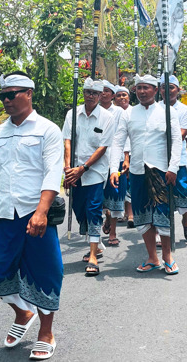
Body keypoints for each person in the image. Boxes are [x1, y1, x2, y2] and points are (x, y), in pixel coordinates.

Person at [0, 71, 63, 360]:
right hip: (5, 213)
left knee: (44, 271)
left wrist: (41, 212)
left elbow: (53, 172)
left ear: (28, 94)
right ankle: (22, 311)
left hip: (35, 212)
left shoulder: (47, 129)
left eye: (11, 94)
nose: (6, 100)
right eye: (2, 95)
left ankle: (46, 331)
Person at [110, 74, 182, 275]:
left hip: (162, 172)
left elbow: (176, 140)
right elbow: (118, 141)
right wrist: (113, 170)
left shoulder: (167, 112)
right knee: (142, 216)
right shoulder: (128, 114)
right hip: (137, 172)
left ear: (156, 90)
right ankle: (152, 257)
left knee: (163, 216)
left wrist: (173, 168)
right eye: (138, 88)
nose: (141, 91)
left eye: (146, 88)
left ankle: (168, 257)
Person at [62, 78, 115, 276]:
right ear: (83, 93)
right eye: (87, 92)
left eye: (95, 93)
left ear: (101, 96)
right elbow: (67, 141)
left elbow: (103, 147)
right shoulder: (72, 114)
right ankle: (105, 215)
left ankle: (93, 255)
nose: (91, 96)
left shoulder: (107, 118)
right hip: (74, 171)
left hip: (95, 171)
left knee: (92, 210)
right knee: (79, 210)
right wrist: (68, 168)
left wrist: (83, 168)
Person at [160, 75, 187, 241]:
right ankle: (162, 228)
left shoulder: (185, 110)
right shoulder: (154, 108)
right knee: (159, 194)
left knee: (181, 189)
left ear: (178, 90)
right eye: (163, 87)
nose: (167, 91)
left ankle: (186, 220)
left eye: (171, 87)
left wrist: (158, 136)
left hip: (177, 158)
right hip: (157, 159)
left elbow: (180, 135)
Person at [100, 80, 127, 246]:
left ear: (112, 95)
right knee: (98, 196)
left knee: (117, 195)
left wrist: (127, 157)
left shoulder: (119, 112)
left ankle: (113, 232)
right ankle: (107, 216)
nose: (103, 94)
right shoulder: (91, 110)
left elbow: (124, 135)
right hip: (96, 159)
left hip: (115, 158)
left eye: (106, 91)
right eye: (100, 91)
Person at [114, 85, 134, 228]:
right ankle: (123, 212)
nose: (122, 98)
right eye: (119, 95)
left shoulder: (135, 112)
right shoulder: (113, 113)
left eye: (124, 95)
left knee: (131, 183)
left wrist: (127, 155)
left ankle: (131, 213)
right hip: (117, 153)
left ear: (129, 97)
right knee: (123, 184)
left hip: (134, 153)